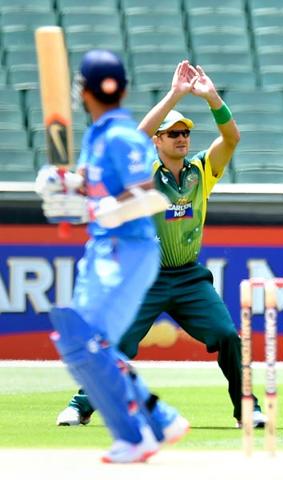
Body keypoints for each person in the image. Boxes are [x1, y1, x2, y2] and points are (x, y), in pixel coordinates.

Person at [55, 60, 266, 430]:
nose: (182, 138)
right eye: (173, 133)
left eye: (185, 132)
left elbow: (231, 138)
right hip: (147, 277)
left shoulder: (201, 171)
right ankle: (81, 405)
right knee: (116, 340)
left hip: (188, 278)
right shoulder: (143, 172)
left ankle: (248, 408)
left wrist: (212, 97)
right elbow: (134, 137)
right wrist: (175, 95)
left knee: (227, 336)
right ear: (158, 141)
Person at [35, 49, 189, 463]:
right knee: (76, 339)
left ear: (83, 91)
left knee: (86, 340)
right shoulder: (97, 136)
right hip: (103, 248)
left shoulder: (121, 136)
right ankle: (160, 419)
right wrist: (62, 184)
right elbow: (89, 185)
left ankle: (138, 436)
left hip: (129, 249)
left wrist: (91, 208)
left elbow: (146, 197)